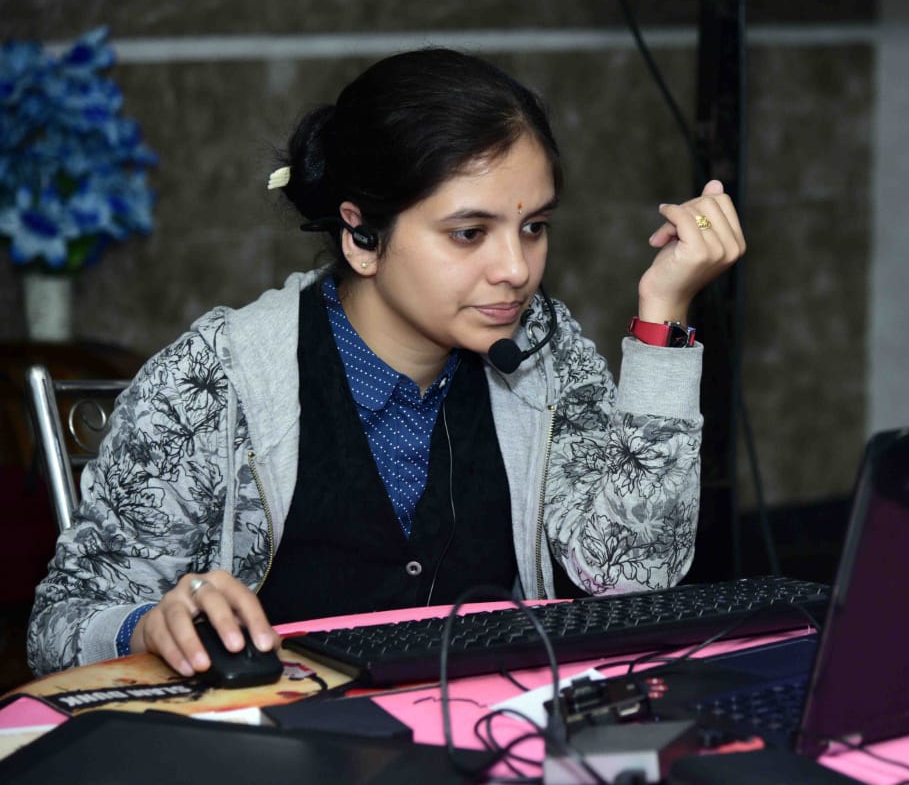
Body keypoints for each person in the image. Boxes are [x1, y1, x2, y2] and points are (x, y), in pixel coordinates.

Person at [27, 47, 745, 679]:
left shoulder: (544, 356)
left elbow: (634, 576)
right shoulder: (216, 377)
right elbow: (59, 625)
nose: (516, 269)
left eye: (534, 227)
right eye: (469, 233)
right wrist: (145, 627)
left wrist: (664, 314)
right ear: (362, 238)